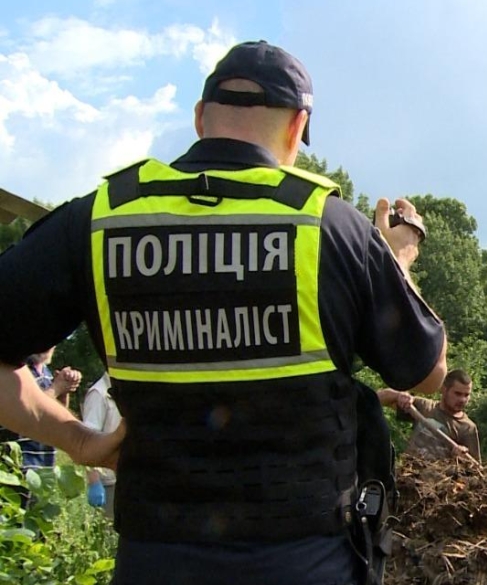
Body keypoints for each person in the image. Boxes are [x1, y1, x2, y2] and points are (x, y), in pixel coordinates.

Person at [0, 40, 447, 585]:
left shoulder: (97, 222)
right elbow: (427, 373)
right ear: (296, 127)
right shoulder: (332, 227)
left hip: (154, 561)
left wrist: (78, 440)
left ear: (199, 119)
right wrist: (397, 258)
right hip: (306, 562)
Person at [378, 369, 481, 462]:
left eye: (466, 395)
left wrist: (461, 459)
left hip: (437, 480)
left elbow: (475, 471)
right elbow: (379, 398)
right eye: (457, 394)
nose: (462, 400)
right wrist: (399, 395)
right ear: (444, 390)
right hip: (408, 475)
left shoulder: (467, 428)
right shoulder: (424, 407)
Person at [19, 348, 81, 472]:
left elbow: (55, 418)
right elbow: (30, 411)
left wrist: (64, 391)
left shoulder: (45, 372)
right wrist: (57, 388)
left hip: (45, 465)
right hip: (18, 467)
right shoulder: (17, 370)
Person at [80, 373, 121, 518]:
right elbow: (88, 440)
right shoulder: (99, 393)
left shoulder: (124, 390)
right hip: (107, 483)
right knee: (110, 534)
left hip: (126, 477)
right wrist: (94, 482)